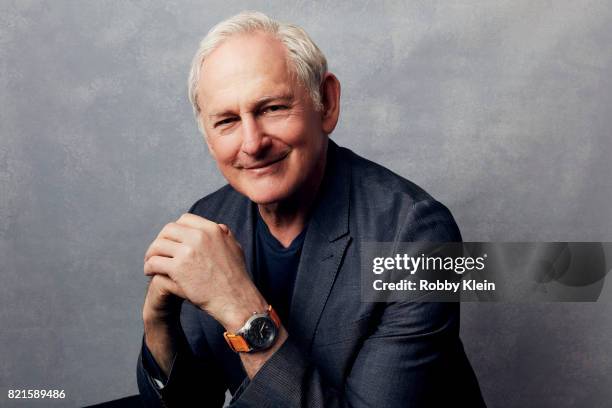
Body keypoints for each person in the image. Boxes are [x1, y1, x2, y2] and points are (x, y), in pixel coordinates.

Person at [137, 11, 486, 408]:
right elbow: (191, 402)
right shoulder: (210, 219)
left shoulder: (419, 236)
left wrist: (241, 310)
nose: (252, 143)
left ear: (327, 104)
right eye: (228, 121)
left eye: (271, 108)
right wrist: (157, 322)